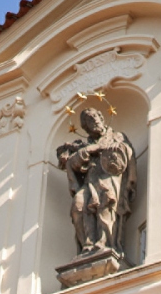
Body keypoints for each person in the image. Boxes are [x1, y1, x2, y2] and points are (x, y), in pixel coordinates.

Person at [56, 107, 137, 257]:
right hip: (90, 180)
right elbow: (72, 163)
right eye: (88, 121)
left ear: (101, 117)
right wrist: (89, 150)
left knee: (106, 203)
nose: (93, 122)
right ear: (86, 128)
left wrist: (130, 178)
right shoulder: (83, 145)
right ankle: (87, 246)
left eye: (94, 118)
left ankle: (104, 243)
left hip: (109, 179)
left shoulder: (116, 137)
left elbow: (128, 156)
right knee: (78, 206)